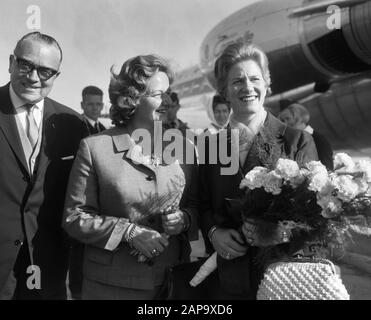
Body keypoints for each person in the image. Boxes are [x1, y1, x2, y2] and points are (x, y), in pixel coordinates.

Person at [63, 54, 199, 300]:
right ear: (131, 99)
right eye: (159, 94)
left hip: (173, 283)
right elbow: (75, 218)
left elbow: (199, 205)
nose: (169, 100)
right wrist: (128, 233)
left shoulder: (184, 147)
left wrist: (185, 219)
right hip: (112, 288)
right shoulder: (94, 148)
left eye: (170, 93)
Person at [199, 41, 318, 299]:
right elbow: (200, 204)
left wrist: (282, 232)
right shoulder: (209, 146)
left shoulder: (298, 141)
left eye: (255, 78)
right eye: (237, 81)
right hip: (226, 282)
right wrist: (213, 232)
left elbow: (318, 216)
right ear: (225, 91)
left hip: (284, 279)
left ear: (266, 84)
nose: (247, 87)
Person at [0, 32, 86, 299]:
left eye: (45, 71)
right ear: (11, 62)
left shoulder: (72, 124)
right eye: (26, 65)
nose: (34, 77)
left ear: (57, 76)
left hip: (47, 266)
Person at [67, 85, 107, 300]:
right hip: (80, 197)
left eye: (98, 104)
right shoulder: (74, 129)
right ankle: (76, 292)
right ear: (82, 105)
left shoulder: (104, 129)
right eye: (90, 104)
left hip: (100, 200)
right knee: (78, 249)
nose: (94, 108)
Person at [278, 103, 334, 170]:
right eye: (282, 120)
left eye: (287, 119)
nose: (283, 123)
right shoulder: (283, 139)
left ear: (300, 119)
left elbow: (328, 168)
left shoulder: (319, 140)